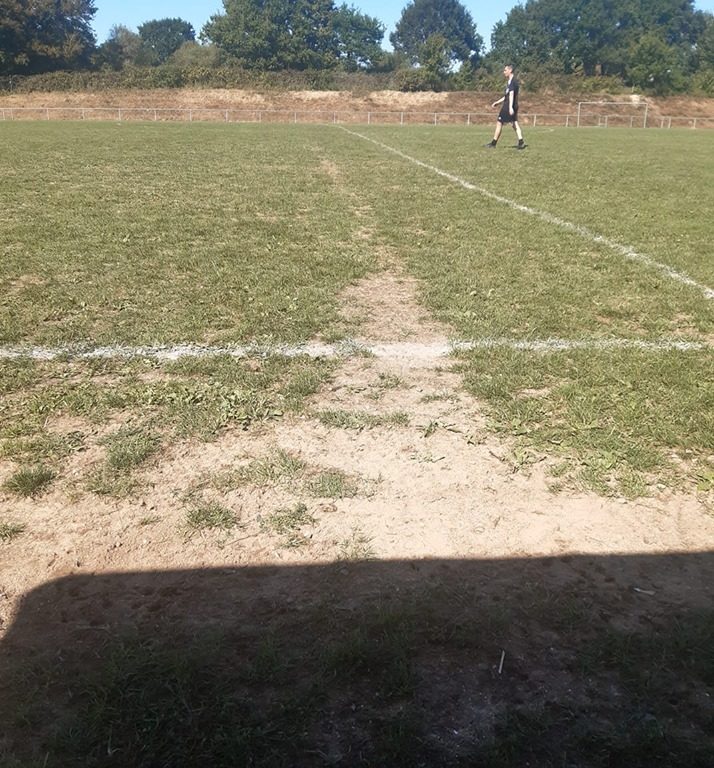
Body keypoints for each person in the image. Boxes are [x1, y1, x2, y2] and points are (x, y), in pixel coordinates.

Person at [486, 64, 526, 150]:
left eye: (505, 70)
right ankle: (521, 142)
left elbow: (511, 95)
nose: (504, 72)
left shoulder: (512, 82)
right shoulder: (511, 81)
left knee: (499, 123)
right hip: (511, 105)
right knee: (514, 123)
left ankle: (493, 143)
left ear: (510, 70)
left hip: (508, 106)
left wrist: (510, 107)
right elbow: (506, 96)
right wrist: (497, 102)